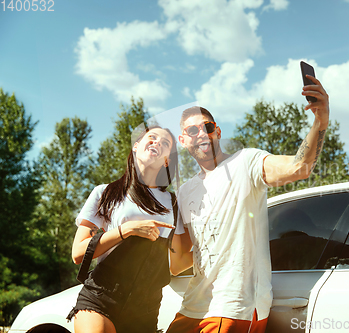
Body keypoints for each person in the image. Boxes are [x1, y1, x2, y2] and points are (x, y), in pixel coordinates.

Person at [166, 75, 329, 333]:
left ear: (217, 132)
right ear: (183, 140)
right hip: (193, 305)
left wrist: (320, 122)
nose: (202, 135)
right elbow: (179, 263)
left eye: (207, 127)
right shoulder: (185, 192)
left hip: (233, 305)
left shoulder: (246, 162)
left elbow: (300, 167)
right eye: (192, 130)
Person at [67, 125, 192, 333]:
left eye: (165, 143)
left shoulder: (174, 203)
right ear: (136, 146)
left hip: (144, 310)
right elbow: (78, 253)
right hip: (100, 297)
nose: (157, 143)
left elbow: (176, 266)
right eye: (151, 138)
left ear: (167, 160)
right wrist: (127, 230)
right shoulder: (105, 193)